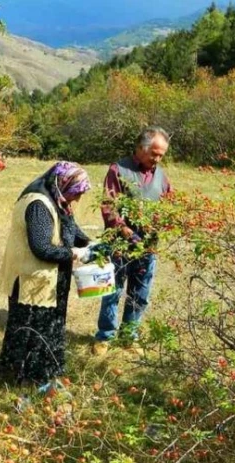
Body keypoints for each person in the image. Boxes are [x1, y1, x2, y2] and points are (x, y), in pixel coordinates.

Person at [0, 162, 93, 390]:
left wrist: (90, 244)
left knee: (50, 326)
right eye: (75, 193)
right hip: (31, 277)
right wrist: (74, 253)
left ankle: (43, 373)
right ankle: (29, 379)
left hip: (48, 277)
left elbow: (70, 228)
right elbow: (41, 247)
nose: (76, 199)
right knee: (34, 328)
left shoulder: (57, 198)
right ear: (64, 183)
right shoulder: (39, 205)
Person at [92, 126, 172, 357]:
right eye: (154, 153)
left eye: (161, 155)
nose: (157, 159)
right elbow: (108, 205)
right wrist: (124, 229)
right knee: (113, 291)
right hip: (120, 244)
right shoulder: (119, 170)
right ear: (139, 148)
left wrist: (167, 221)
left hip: (148, 246)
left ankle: (129, 336)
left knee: (140, 293)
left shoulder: (161, 176)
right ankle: (105, 336)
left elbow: (169, 205)